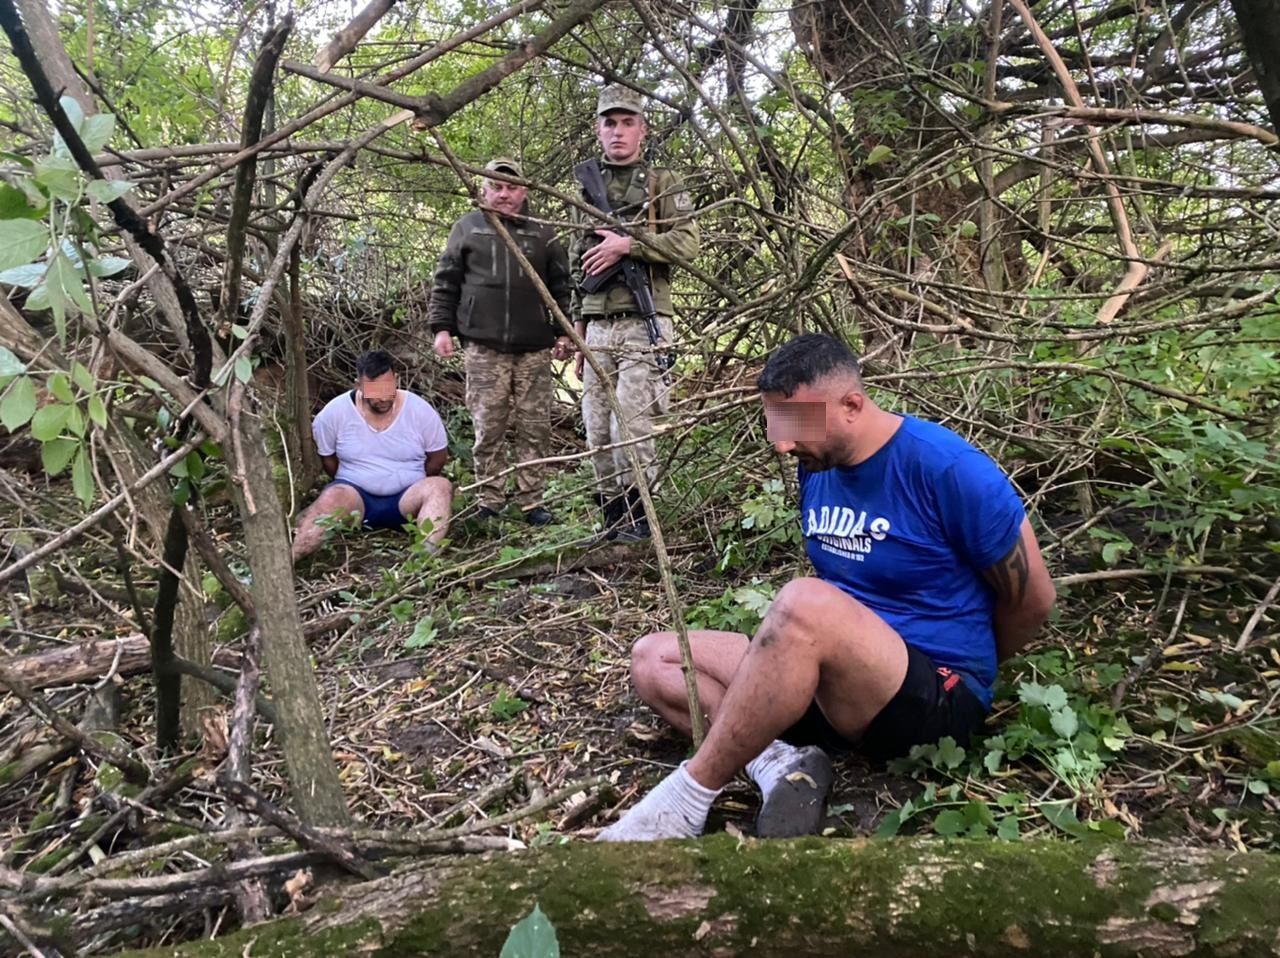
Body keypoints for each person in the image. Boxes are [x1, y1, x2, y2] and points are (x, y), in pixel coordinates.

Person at [598, 334, 1056, 841]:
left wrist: (972, 667)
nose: (783, 443)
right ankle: (780, 764)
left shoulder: (947, 469)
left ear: (852, 406)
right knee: (655, 659)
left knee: (804, 603)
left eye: (797, 424)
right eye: (776, 424)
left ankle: (682, 803)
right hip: (834, 682)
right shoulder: (818, 465)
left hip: (933, 697)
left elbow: (1033, 601)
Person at [571, 82, 699, 541]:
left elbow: (687, 243)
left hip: (644, 323)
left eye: (628, 123)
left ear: (643, 130)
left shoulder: (663, 182)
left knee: (633, 424)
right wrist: (577, 329)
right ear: (598, 130)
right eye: (610, 123)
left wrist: (631, 245)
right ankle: (611, 517)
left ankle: (641, 519)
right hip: (597, 325)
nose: (618, 131)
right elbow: (577, 262)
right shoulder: (585, 187)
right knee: (596, 430)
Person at [429, 157, 573, 525]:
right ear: (483, 190)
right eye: (496, 186)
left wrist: (563, 332)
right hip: (482, 345)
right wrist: (442, 328)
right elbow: (446, 282)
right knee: (487, 425)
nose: (504, 194)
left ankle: (531, 501)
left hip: (534, 347)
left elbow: (561, 287)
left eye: (511, 187)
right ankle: (488, 499)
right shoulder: (467, 227)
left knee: (534, 426)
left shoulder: (543, 233)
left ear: (524, 192)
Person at [291, 350, 451, 560]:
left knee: (439, 487)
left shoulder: (420, 411)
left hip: (407, 497)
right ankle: (290, 558)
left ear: (397, 380)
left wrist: (412, 480)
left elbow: (437, 458)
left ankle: (425, 557)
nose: (383, 397)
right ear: (359, 385)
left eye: (388, 388)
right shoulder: (333, 414)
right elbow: (329, 461)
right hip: (355, 496)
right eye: (374, 390)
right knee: (331, 497)